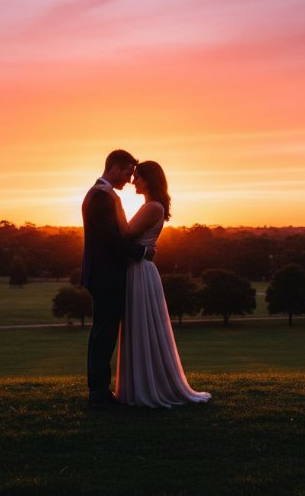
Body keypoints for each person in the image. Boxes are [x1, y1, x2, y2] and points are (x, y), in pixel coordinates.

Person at [114, 161, 211, 407]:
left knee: (142, 324)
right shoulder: (151, 206)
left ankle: (149, 386)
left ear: (149, 180)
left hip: (140, 271)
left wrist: (114, 204)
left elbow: (125, 233)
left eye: (138, 177)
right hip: (137, 268)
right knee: (138, 325)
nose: (134, 182)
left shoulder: (152, 207)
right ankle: (139, 385)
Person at [81, 149, 149, 408]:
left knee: (103, 333)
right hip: (106, 276)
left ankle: (99, 391)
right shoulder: (100, 196)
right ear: (114, 168)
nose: (129, 179)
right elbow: (111, 238)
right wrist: (142, 252)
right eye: (127, 173)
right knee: (104, 335)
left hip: (104, 274)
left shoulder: (101, 194)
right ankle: (99, 394)